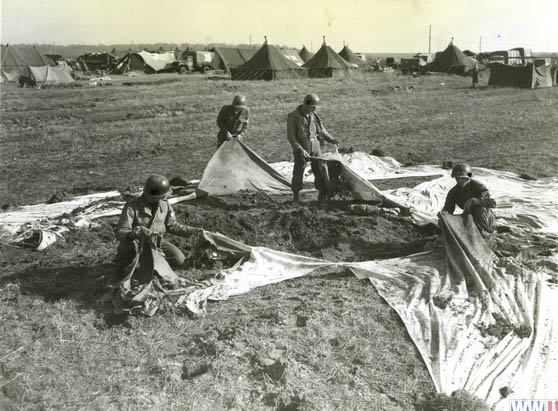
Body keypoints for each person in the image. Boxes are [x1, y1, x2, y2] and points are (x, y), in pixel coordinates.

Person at [115, 175, 201, 270]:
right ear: (151, 196)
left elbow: (173, 226)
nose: (165, 197)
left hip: (157, 243)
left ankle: (153, 263)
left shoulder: (165, 205)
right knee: (125, 259)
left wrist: (195, 232)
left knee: (178, 258)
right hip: (136, 244)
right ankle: (141, 264)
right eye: (162, 196)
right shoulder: (132, 207)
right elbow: (121, 231)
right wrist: (132, 234)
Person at [287, 93, 340, 202]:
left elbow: (321, 130)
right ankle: (296, 196)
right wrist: (299, 149)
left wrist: (331, 139)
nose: (314, 109)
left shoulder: (314, 115)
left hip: (315, 146)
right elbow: (291, 136)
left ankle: (322, 194)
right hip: (302, 147)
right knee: (298, 171)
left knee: (320, 170)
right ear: (306, 105)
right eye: (313, 107)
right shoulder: (293, 116)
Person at [442, 163, 496, 235]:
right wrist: (444, 216)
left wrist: (474, 201)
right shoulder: (453, 192)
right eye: (457, 178)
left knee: (481, 209)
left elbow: (493, 203)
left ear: (469, 177)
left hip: (486, 218)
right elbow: (448, 211)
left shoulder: (478, 186)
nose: (460, 181)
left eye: (463, 178)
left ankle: (485, 233)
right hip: (470, 218)